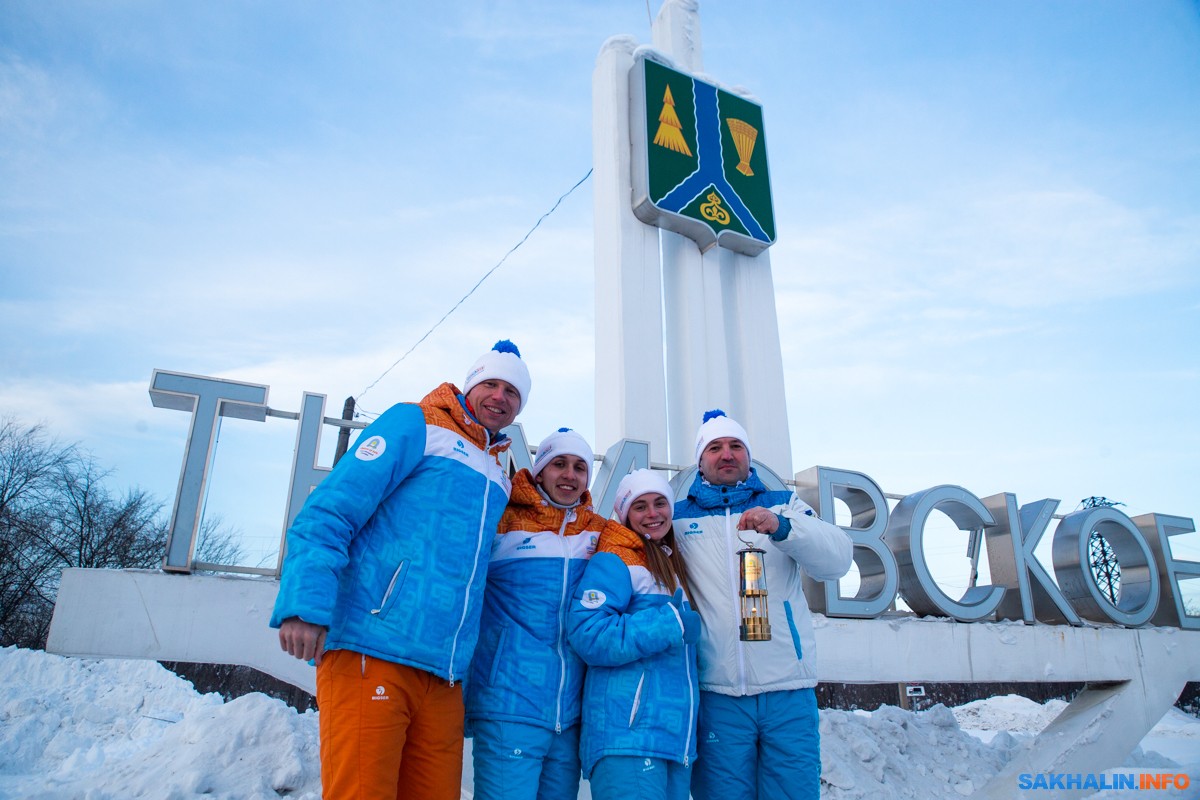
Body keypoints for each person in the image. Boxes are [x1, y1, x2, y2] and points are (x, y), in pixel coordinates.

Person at [270, 340, 531, 800]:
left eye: (512, 391)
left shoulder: (498, 472)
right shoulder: (416, 422)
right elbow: (330, 511)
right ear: (469, 385)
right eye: (490, 383)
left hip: (443, 676)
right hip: (373, 649)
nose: (500, 396)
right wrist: (304, 605)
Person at [673, 409, 854, 800]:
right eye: (715, 447)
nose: (726, 454)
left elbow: (837, 560)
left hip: (787, 688)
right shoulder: (678, 518)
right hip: (716, 691)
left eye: (736, 446)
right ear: (700, 460)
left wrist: (782, 526)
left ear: (748, 456)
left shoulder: (784, 504)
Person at [465, 427, 626, 800]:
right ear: (539, 472)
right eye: (559, 464)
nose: (569, 475)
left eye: (579, 467)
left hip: (570, 715)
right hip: (508, 704)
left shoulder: (599, 533)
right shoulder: (502, 520)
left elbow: (646, 547)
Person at [568, 468, 701, 800]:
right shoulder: (614, 560)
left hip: (672, 738)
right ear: (625, 514)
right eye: (640, 507)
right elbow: (589, 634)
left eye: (659, 503)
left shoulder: (672, 566)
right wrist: (669, 623)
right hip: (627, 735)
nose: (652, 513)